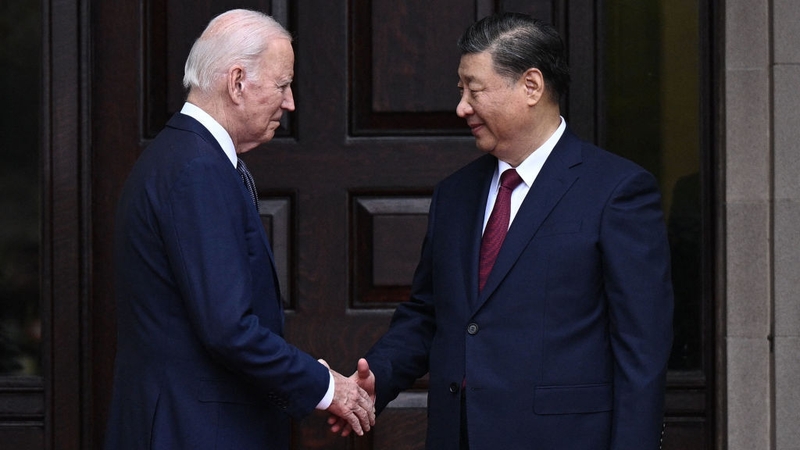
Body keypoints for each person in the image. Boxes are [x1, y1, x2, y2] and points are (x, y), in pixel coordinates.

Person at [333, 12, 673, 450]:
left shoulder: (616, 191)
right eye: (461, 91)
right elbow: (427, 314)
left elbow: (641, 349)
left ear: (531, 86)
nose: (461, 107)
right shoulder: (455, 195)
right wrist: (375, 379)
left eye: (474, 90)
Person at [104, 9, 374, 449]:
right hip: (193, 431)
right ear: (236, 82)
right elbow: (228, 329)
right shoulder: (198, 169)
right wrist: (327, 387)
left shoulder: (180, 155)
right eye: (283, 86)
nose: (289, 104)